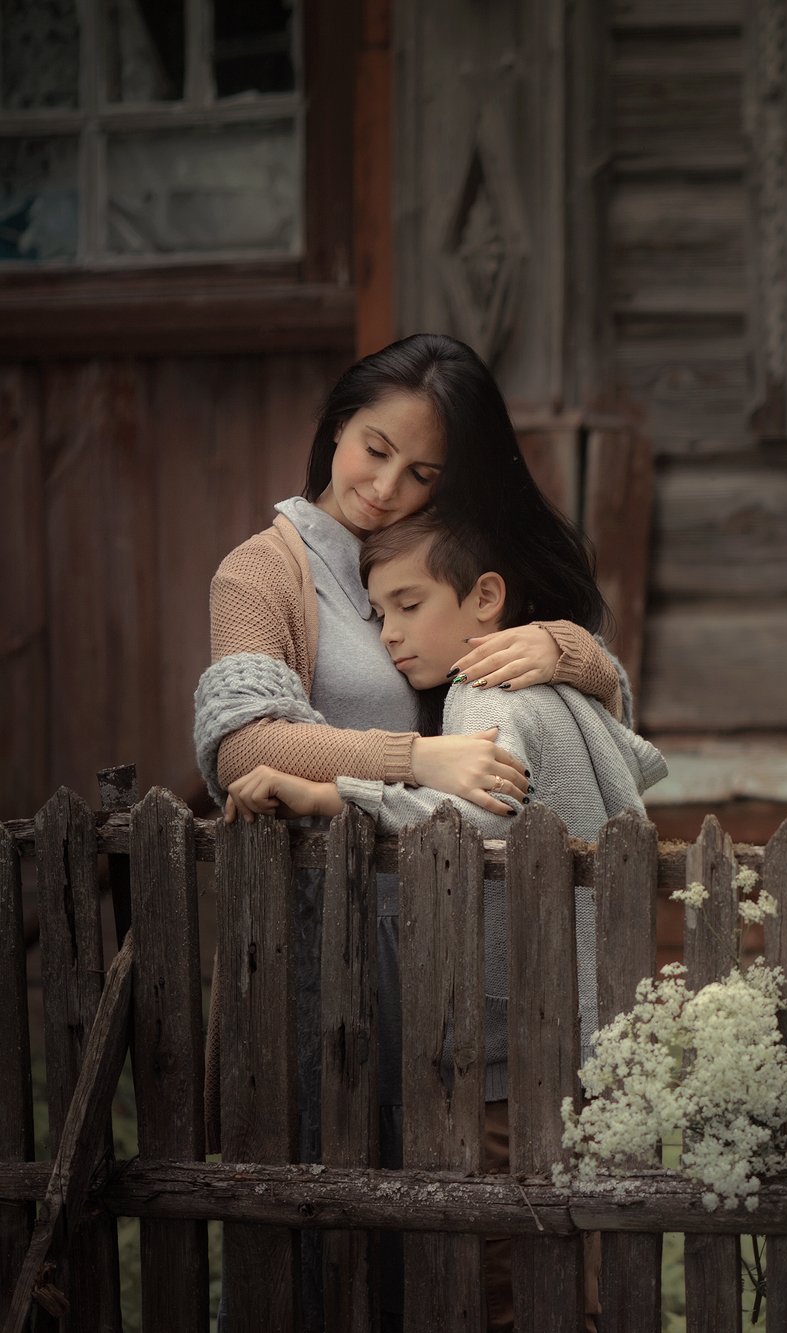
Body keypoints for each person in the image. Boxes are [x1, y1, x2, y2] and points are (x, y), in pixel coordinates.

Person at [192, 333, 632, 1332]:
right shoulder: (263, 573)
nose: (386, 488)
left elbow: (591, 724)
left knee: (463, 1237)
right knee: (327, 1217)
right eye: (374, 448)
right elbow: (242, 741)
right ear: (335, 427)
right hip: (327, 943)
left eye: (422, 471)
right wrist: (416, 757)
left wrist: (566, 646)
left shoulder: (445, 550)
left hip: (463, 948)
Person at [237, 508, 665, 1331]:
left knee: (508, 1280)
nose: (391, 634)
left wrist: (326, 792)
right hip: (596, 1022)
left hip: (515, 1043)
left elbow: (469, 823)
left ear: (485, 598)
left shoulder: (481, 693)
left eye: (409, 604)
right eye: (378, 614)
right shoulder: (560, 695)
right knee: (584, 1259)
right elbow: (634, 762)